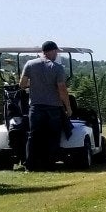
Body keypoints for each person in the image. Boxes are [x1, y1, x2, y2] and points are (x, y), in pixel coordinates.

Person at [19, 41, 71, 171]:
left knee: (33, 136)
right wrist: (68, 107)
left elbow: (22, 84)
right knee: (53, 136)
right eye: (56, 51)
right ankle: (49, 164)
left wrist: (34, 84)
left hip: (36, 106)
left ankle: (30, 166)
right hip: (53, 107)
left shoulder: (30, 64)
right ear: (51, 51)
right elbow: (62, 89)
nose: (56, 54)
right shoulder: (57, 68)